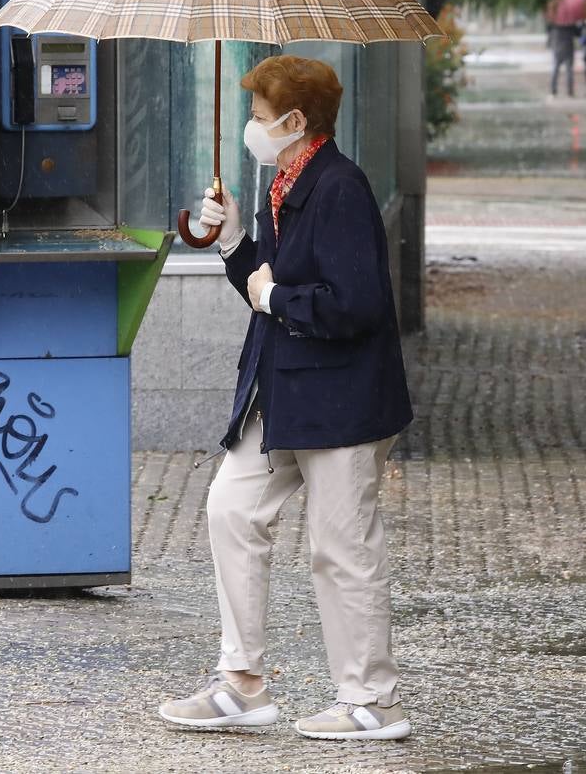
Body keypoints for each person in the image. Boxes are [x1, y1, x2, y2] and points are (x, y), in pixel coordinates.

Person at [157, 55, 414, 741]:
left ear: (296, 122)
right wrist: (233, 240)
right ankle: (240, 682)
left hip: (343, 402)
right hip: (284, 391)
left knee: (341, 547)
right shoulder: (285, 180)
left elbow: (355, 304)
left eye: (263, 119)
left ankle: (371, 701)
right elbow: (266, 284)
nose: (253, 129)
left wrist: (277, 295)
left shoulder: (341, 188)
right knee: (231, 510)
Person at [549, 23, 578, 97]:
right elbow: (578, 33)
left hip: (557, 50)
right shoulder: (571, 25)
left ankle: (553, 90)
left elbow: (550, 38)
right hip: (568, 50)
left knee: (555, 70)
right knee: (569, 71)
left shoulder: (555, 25)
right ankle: (570, 91)